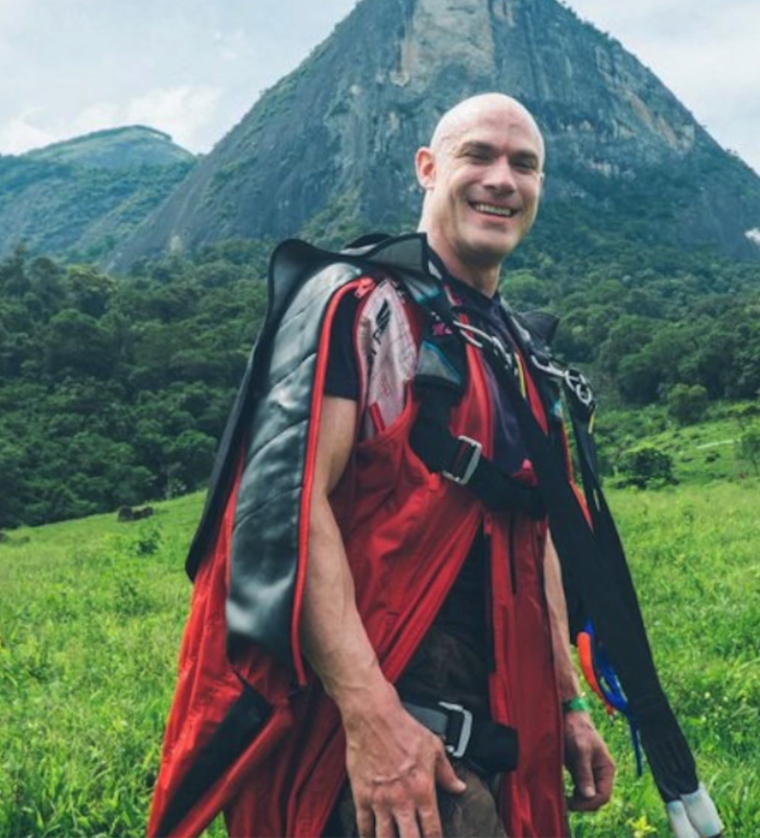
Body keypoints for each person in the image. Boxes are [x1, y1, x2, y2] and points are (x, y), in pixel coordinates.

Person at [147, 93, 615, 838]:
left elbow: (536, 537)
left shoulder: (518, 353)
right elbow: (293, 512)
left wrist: (566, 705)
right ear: (428, 168)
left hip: (498, 733)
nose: (502, 179)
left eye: (524, 165)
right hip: (382, 751)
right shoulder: (361, 310)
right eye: (479, 156)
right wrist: (374, 720)